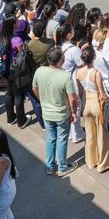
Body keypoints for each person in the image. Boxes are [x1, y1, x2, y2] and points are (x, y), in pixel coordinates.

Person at [32, 47, 78, 176]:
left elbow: (34, 88)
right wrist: (73, 112)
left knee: (50, 139)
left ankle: (50, 166)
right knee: (62, 140)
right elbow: (72, 98)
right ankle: (62, 166)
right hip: (62, 114)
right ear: (61, 60)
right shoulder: (65, 76)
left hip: (46, 113)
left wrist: (42, 100)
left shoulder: (39, 71)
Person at [75, 46, 109, 172]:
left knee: (90, 135)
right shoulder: (96, 73)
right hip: (96, 104)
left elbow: (80, 93)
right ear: (94, 58)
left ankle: (91, 161)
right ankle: (103, 163)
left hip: (86, 104)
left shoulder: (78, 72)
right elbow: (102, 93)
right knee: (102, 135)